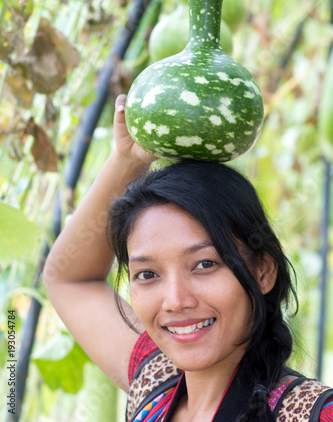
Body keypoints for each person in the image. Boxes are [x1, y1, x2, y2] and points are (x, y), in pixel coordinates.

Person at [43, 95, 333, 422]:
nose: (176, 301)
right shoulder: (155, 384)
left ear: (263, 270)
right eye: (148, 274)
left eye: (204, 264)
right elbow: (68, 278)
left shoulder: (314, 414)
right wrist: (127, 160)